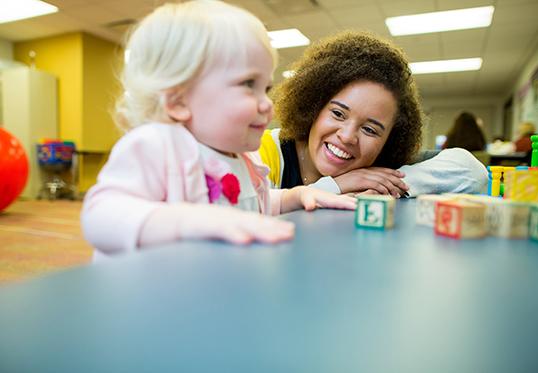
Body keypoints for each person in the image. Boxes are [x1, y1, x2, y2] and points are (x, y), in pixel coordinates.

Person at [81, 0, 355, 256]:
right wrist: (189, 221)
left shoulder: (245, 156)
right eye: (249, 84)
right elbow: (100, 215)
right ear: (178, 101)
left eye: (266, 88)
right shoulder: (156, 144)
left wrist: (296, 196)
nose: (266, 104)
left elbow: (252, 207)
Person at [259, 31, 487, 197]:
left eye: (370, 129)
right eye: (338, 113)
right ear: (314, 106)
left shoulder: (377, 167)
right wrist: (337, 185)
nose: (348, 136)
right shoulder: (265, 153)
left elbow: (472, 171)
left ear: (389, 140)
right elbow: (243, 212)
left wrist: (388, 186)